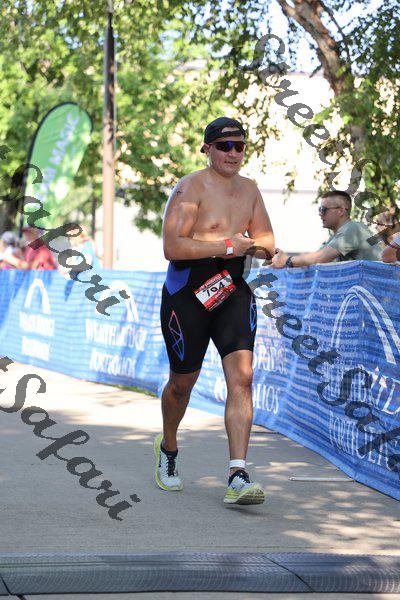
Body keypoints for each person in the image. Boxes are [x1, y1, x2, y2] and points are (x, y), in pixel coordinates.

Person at [156, 117, 275, 505]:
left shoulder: (249, 189)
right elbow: (173, 246)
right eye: (225, 146)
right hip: (187, 292)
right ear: (207, 149)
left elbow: (267, 238)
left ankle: (238, 473)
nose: (233, 153)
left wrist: (257, 247)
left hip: (232, 289)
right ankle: (168, 448)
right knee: (182, 383)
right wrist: (228, 245)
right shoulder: (190, 187)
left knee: (243, 377)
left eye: (240, 146)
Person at [271, 190, 381, 269]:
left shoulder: (352, 228)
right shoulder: (336, 236)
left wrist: (286, 260)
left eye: (323, 209)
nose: (320, 214)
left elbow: (319, 258)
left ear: (341, 211)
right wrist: (280, 258)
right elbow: (312, 258)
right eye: (319, 209)